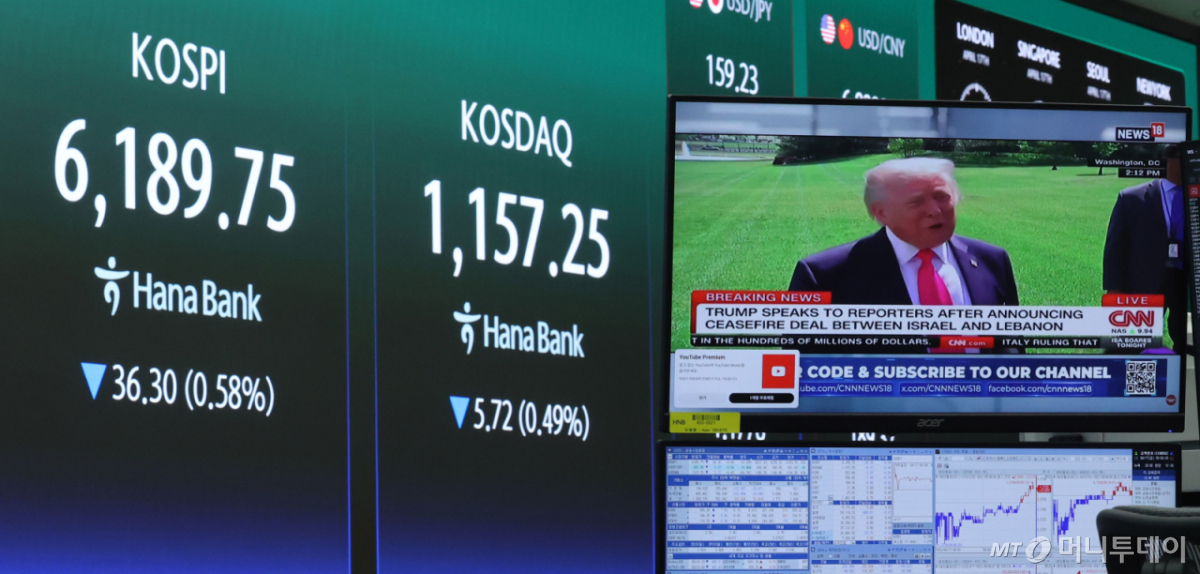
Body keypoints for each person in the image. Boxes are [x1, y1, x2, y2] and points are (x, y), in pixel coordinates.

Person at [789, 157, 1020, 307]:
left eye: (942, 197)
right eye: (916, 202)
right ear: (880, 212)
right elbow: (802, 363)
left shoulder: (993, 260)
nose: (934, 211)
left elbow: (1011, 349)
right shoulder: (823, 277)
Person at [1103, 144, 1188, 352]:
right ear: (1168, 161)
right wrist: (1114, 287)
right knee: (1136, 344)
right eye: (1181, 157)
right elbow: (1115, 247)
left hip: (1186, 284)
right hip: (1145, 281)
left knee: (1185, 343)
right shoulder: (1132, 197)